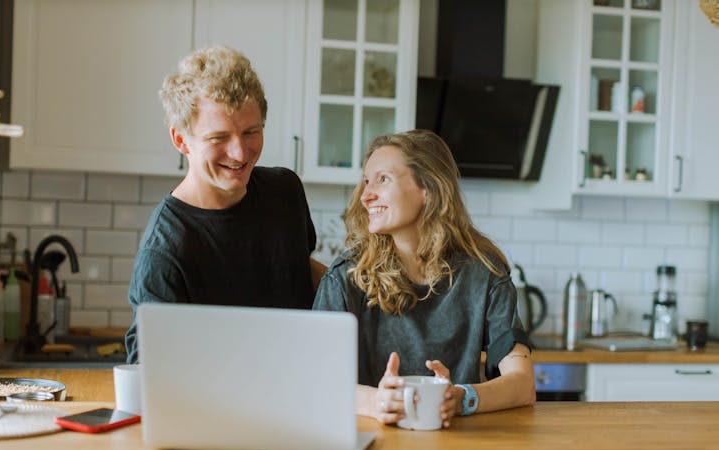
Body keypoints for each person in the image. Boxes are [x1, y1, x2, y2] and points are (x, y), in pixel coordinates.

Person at [313, 129, 535, 428]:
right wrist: (375, 402)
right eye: (366, 181)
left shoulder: (485, 272)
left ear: (428, 189)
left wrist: (463, 398)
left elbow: (522, 385)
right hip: (368, 442)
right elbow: (314, 382)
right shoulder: (345, 276)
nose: (366, 196)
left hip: (458, 448)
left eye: (383, 179)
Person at [125, 46, 324, 363]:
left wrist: (364, 288)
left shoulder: (285, 191)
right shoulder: (166, 250)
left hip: (300, 395)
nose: (240, 153)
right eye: (219, 138)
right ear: (180, 140)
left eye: (251, 132)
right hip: (218, 409)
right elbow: (151, 373)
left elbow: (300, 267)